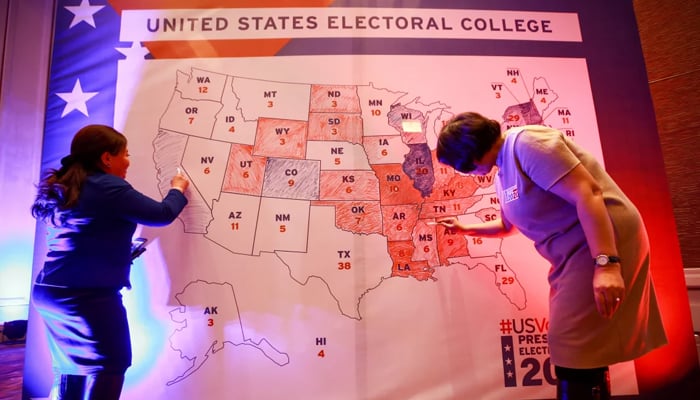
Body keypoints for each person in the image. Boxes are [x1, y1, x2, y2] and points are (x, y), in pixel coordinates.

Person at [434, 112, 667, 399]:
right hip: (571, 255)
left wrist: (606, 263)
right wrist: (465, 229)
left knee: (573, 343)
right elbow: (508, 226)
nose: (461, 172)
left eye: (458, 165)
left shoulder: (528, 143)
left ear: (467, 151)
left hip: (598, 244)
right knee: (581, 345)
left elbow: (588, 193)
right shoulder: (503, 171)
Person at [30, 124, 190, 399]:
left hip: (51, 293)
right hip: (88, 298)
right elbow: (162, 213)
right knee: (111, 365)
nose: (128, 162)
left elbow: (82, 235)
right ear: (107, 157)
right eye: (125, 154)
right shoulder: (109, 187)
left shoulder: (65, 183)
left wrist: (119, 253)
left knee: (71, 367)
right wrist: (178, 189)